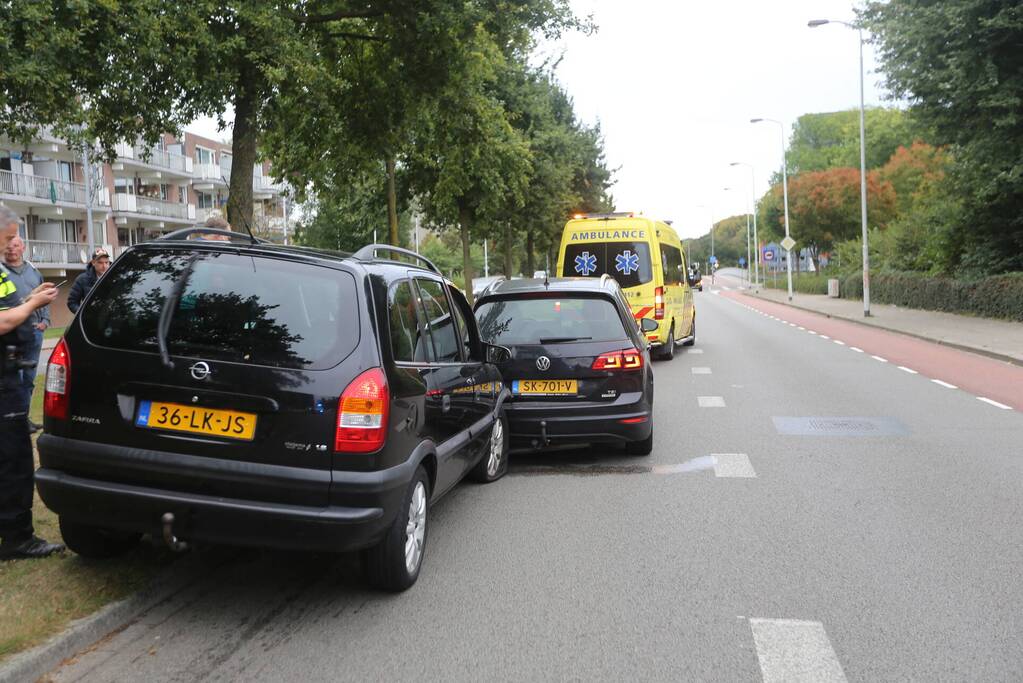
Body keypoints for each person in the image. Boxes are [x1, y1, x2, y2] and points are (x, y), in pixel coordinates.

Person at [0, 205, 64, 560]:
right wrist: (32, 304)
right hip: (4, 382)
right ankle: (17, 538)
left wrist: (29, 299)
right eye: (8, 237)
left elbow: (7, 308)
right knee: (13, 461)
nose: (11, 244)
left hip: (9, 377)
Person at [3, 236, 50, 433]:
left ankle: (25, 418)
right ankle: (14, 421)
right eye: (8, 246)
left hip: (34, 332)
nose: (11, 249)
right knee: (16, 379)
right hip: (11, 334)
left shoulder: (33, 271)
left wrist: (45, 321)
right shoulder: (2, 273)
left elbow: (43, 300)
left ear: (22, 247)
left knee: (29, 378)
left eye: (15, 245)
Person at [67, 247, 111, 314]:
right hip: (90, 322)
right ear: (93, 263)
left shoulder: (115, 277)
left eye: (106, 262)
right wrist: (84, 314)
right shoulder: (82, 279)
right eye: (100, 263)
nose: (104, 266)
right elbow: (72, 302)